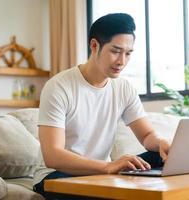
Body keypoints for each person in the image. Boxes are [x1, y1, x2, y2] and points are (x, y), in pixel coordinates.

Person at [33, 13, 170, 199]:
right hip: (58, 175)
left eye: (128, 53)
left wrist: (162, 142)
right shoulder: (59, 87)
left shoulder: (123, 87)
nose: (122, 61)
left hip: (103, 173)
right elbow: (53, 155)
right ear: (94, 45)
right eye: (115, 51)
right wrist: (107, 167)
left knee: (161, 158)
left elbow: (146, 135)